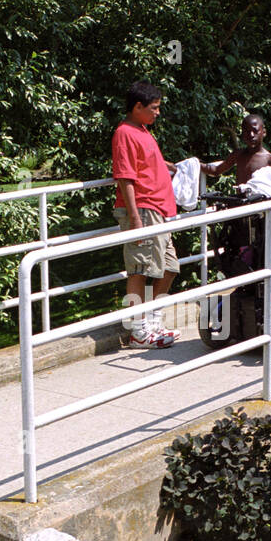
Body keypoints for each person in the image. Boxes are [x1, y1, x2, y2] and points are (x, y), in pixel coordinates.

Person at [112, 81, 180, 348]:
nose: (158, 113)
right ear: (137, 107)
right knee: (139, 270)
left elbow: (146, 163)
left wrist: (172, 167)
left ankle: (152, 320)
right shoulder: (124, 132)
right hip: (142, 208)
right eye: (154, 108)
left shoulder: (142, 130)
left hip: (158, 209)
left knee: (170, 267)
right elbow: (125, 176)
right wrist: (135, 218)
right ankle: (138, 331)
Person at [202, 114, 271, 185]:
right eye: (247, 131)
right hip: (240, 201)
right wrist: (196, 164)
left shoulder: (270, 160)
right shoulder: (238, 155)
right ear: (242, 134)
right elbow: (216, 170)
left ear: (263, 132)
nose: (251, 135)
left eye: (255, 131)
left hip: (261, 201)